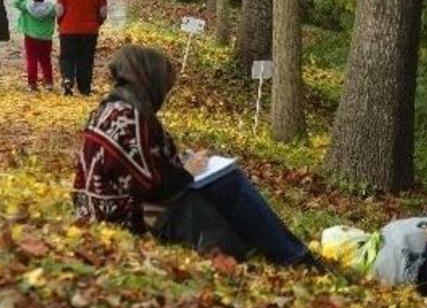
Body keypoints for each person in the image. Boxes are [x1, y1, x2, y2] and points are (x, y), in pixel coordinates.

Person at [72, 45, 313, 265]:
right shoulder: (128, 117)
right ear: (148, 80)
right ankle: (295, 257)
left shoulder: (111, 108)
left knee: (223, 184)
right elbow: (151, 185)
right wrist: (186, 171)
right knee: (229, 184)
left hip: (100, 206)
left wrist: (183, 162)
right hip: (120, 216)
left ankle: (282, 250)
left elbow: (140, 164)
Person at [55, 0, 106, 96]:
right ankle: (84, 88)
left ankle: (67, 80)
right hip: (89, 31)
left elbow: (59, 9)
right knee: (86, 59)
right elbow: (103, 11)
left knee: (67, 57)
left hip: (68, 29)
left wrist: (60, 22)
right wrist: (97, 23)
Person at [14, 0, 56, 91]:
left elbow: (16, 2)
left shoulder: (26, 6)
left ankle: (32, 83)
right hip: (46, 38)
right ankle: (49, 82)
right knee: (46, 60)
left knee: (32, 60)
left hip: (31, 37)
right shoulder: (51, 8)